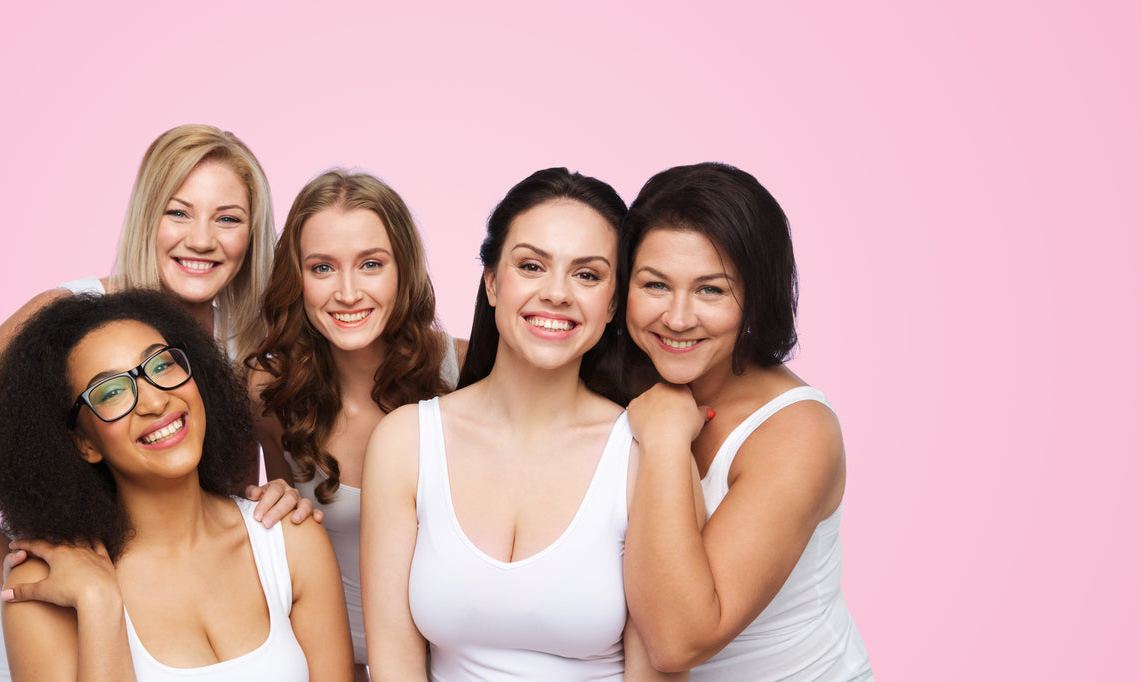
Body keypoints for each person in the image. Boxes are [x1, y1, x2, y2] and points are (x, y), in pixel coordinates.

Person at [0, 124, 312, 681]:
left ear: (253, 234)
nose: (201, 240)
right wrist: (32, 575)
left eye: (228, 218)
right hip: (54, 647)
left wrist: (276, 500)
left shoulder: (246, 348)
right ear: (147, 216)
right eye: (178, 212)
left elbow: (222, 503)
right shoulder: (59, 324)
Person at [361, 168, 682, 681]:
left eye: (587, 274)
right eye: (532, 266)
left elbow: (659, 669)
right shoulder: (405, 443)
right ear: (492, 282)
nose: (557, 293)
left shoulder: (645, 452)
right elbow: (394, 663)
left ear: (614, 303)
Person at [0, 289, 353, 680]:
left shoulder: (290, 539)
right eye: (112, 391)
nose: (154, 401)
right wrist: (99, 603)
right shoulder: (47, 585)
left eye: (161, 366)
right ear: (84, 443)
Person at [618, 163, 873, 680]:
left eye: (711, 290)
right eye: (655, 285)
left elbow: (678, 641)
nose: (678, 317)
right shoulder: (628, 378)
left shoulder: (796, 432)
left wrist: (666, 438)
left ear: (756, 295)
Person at [246, 170, 464, 679]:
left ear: (402, 270)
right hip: (323, 661)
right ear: (295, 277)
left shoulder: (463, 373)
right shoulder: (268, 389)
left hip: (446, 664)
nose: (347, 293)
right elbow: (259, 513)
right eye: (322, 267)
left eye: (371, 264)